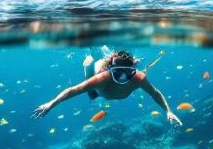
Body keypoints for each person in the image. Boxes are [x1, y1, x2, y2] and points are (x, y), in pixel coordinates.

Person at [32, 50, 182, 126]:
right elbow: (73, 90)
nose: (122, 77)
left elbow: (155, 94)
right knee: (90, 87)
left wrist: (168, 111)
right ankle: (89, 62)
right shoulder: (102, 78)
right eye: (118, 72)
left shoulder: (139, 77)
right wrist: (51, 103)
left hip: (107, 91)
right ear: (111, 70)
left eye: (127, 72)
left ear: (133, 70)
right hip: (99, 87)